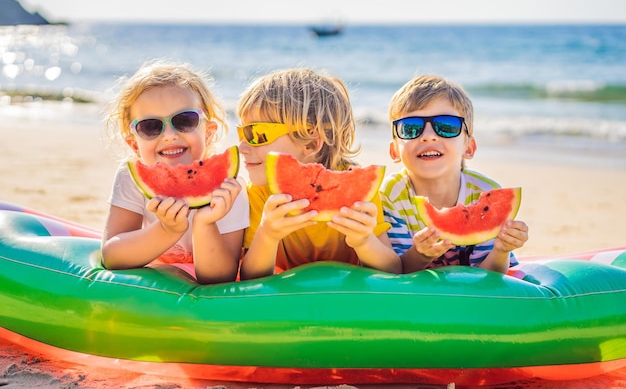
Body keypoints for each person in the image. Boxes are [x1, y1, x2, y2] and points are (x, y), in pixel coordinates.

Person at [237, 68, 402, 280]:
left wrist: (364, 241)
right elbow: (250, 278)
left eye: (256, 134)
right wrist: (267, 235)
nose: (241, 146)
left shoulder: (356, 190)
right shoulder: (258, 196)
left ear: (312, 143)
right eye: (241, 132)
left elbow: (393, 270)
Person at [101, 60, 249, 284]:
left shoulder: (229, 188)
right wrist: (167, 230)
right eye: (150, 126)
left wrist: (204, 223)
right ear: (134, 145)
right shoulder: (130, 177)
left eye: (185, 121)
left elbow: (220, 277)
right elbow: (112, 256)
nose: (169, 135)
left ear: (208, 133)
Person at [380, 75, 528, 274]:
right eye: (411, 128)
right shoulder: (391, 196)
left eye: (446, 126)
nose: (428, 135)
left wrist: (501, 250)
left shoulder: (487, 192)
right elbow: (397, 271)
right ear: (394, 151)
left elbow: (489, 277)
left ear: (469, 147)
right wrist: (420, 254)